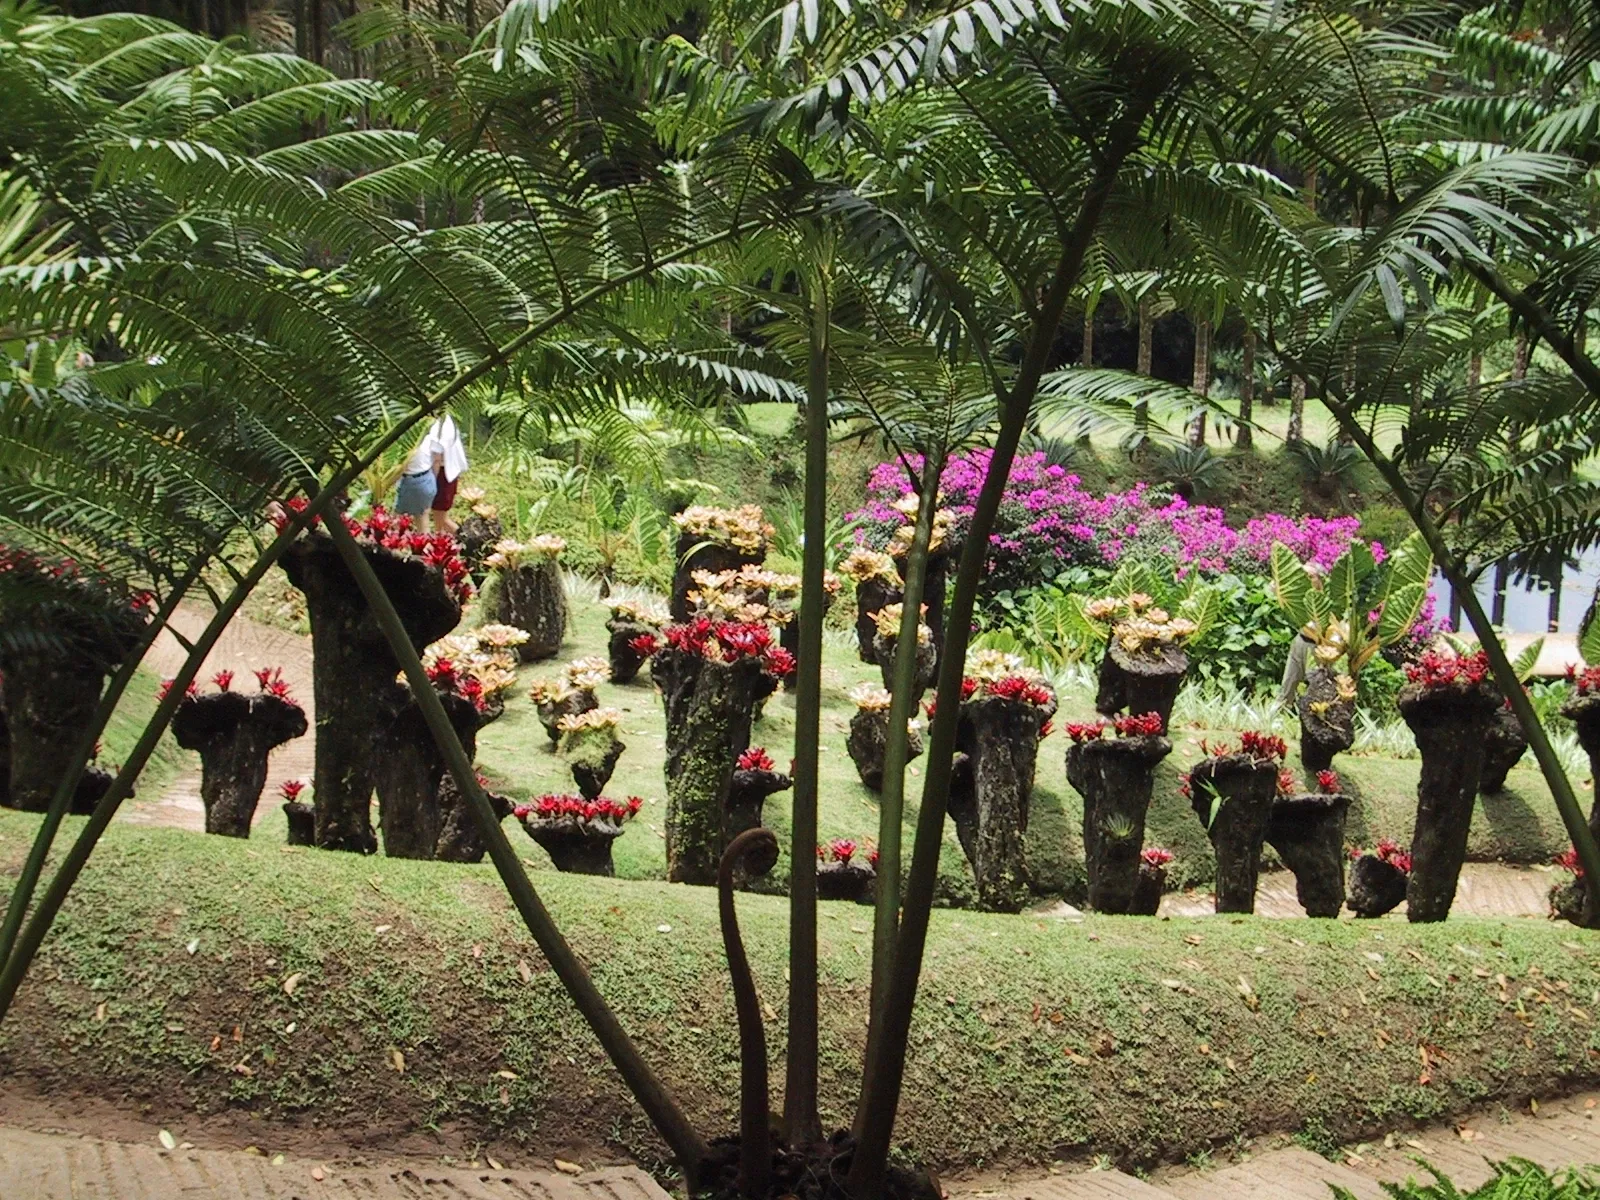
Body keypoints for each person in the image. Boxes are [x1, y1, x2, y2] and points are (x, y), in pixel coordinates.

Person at [394, 413, 467, 531]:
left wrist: (433, 479)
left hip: (442, 473)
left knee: (441, 519)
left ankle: (464, 540)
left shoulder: (439, 426)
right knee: (435, 518)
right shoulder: (442, 421)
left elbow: (437, 458)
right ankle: (441, 542)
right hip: (441, 471)